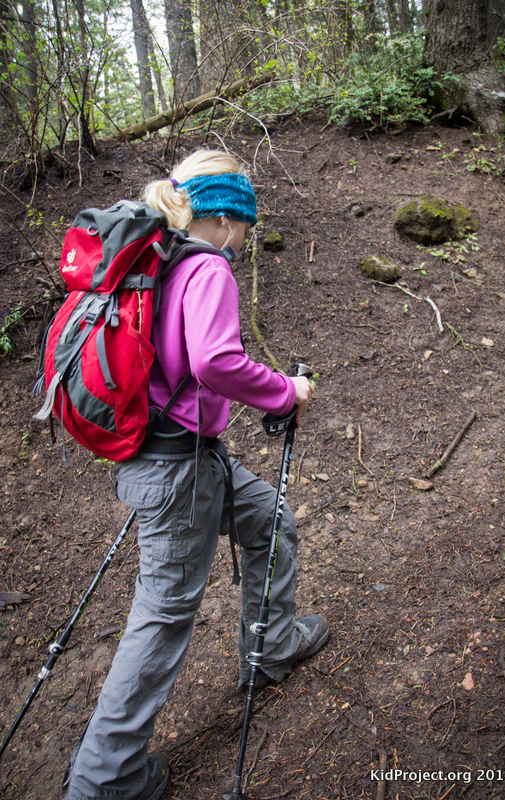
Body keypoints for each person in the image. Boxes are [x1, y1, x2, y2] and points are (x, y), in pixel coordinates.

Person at [64, 149, 330, 800]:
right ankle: (105, 780)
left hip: (176, 456)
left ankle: (269, 650)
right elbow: (214, 361)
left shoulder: (156, 263)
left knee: (269, 519)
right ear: (226, 217)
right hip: (179, 467)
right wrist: (284, 391)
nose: (245, 240)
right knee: (163, 614)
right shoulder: (205, 267)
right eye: (245, 226)